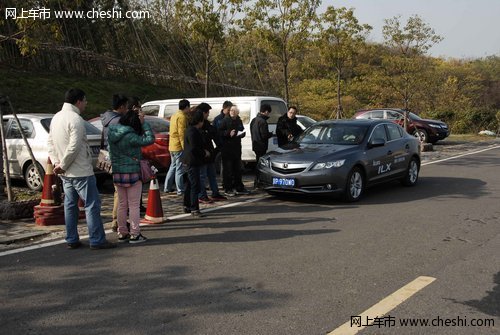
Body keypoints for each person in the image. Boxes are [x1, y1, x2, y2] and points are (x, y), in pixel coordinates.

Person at [48, 88, 116, 250]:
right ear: (78, 101)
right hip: (80, 170)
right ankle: (97, 240)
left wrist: (59, 164)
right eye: (85, 101)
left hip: (66, 173)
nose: (86, 104)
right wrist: (63, 164)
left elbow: (50, 143)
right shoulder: (75, 119)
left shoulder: (56, 117)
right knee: (92, 204)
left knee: (70, 205)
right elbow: (75, 146)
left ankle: (71, 238)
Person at [108, 108, 155, 243]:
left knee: (122, 204)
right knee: (134, 205)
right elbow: (150, 139)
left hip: (117, 172)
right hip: (132, 172)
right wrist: (144, 123)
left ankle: (122, 232)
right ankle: (135, 233)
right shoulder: (131, 136)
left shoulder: (112, 133)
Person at [101, 94, 128, 232]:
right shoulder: (118, 121)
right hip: (119, 159)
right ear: (122, 106)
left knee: (118, 190)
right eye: (126, 106)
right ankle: (117, 220)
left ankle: (118, 219)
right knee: (120, 191)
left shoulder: (107, 119)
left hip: (110, 158)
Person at [197, 102, 226, 203]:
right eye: (207, 112)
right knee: (202, 176)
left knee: (212, 174)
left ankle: (215, 192)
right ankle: (202, 195)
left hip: (210, 152)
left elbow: (213, 133)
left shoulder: (207, 124)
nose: (208, 114)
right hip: (203, 154)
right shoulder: (197, 124)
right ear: (203, 113)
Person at [181, 109, 209, 217]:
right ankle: (194, 208)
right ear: (199, 121)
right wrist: (204, 152)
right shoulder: (193, 131)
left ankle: (187, 205)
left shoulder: (189, 130)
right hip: (192, 161)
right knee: (194, 185)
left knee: (189, 184)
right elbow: (193, 147)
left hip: (188, 160)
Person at [218, 105, 250, 196]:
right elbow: (219, 132)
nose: (232, 112)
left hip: (237, 148)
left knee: (237, 169)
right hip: (227, 149)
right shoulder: (225, 120)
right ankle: (228, 188)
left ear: (238, 112)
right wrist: (228, 133)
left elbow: (242, 130)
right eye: (231, 110)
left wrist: (242, 134)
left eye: (234, 110)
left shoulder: (239, 120)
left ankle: (239, 187)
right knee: (228, 170)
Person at [164, 99, 190, 195]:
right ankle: (180, 189)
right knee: (179, 168)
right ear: (186, 107)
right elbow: (181, 133)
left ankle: (167, 187)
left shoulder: (174, 115)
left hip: (172, 145)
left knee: (173, 166)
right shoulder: (182, 117)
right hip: (178, 146)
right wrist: (185, 147)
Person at [250, 104, 273, 187]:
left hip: (255, 144)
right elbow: (264, 135)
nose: (268, 114)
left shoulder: (254, 120)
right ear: (266, 111)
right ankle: (259, 182)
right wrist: (271, 134)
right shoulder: (263, 122)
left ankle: (257, 182)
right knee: (261, 165)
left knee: (257, 163)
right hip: (261, 146)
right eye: (268, 112)